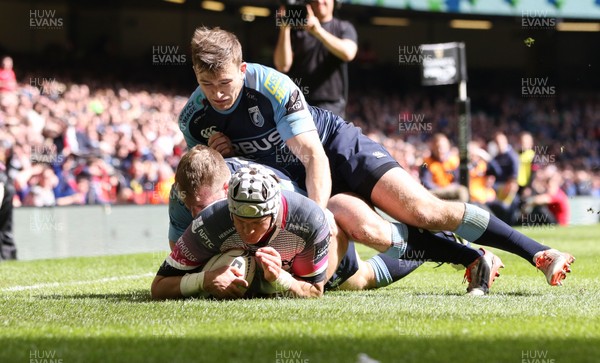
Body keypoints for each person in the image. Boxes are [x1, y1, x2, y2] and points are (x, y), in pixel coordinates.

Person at [180, 26, 574, 287]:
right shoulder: (194, 118)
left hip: (335, 147)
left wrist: (310, 225)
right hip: (294, 181)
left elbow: (314, 156)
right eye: (206, 83)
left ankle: (540, 253)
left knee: (423, 211)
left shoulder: (272, 86)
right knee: (370, 231)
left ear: (243, 68)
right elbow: (208, 181)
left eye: (226, 82)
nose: (217, 93)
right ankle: (472, 257)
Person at [163, 146, 504, 297]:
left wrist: (281, 277)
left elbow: (312, 289)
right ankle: (447, 243)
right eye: (191, 207)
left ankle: (453, 245)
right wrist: (208, 279)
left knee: (362, 250)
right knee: (362, 278)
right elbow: (178, 271)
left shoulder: (282, 200)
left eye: (203, 207)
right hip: (288, 244)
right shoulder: (191, 199)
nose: (197, 216)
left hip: (313, 235)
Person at [273, 0, 357, 118]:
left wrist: (318, 31)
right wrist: (284, 29)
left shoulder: (344, 27)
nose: (319, 1)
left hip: (331, 106)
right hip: (298, 102)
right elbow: (282, 65)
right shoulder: (296, 29)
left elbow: (348, 53)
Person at [420, 133, 469, 202]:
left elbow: (458, 180)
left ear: (448, 147)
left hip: (450, 191)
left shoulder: (453, 161)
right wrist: (441, 188)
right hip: (435, 192)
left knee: (462, 191)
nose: (440, 150)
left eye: (442, 147)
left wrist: (450, 187)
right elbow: (426, 182)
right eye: (437, 147)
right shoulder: (426, 162)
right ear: (433, 147)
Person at [0, 140, 17, 261]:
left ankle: (8, 255)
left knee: (5, 228)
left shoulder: (5, 166)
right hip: (4, 190)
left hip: (6, 191)